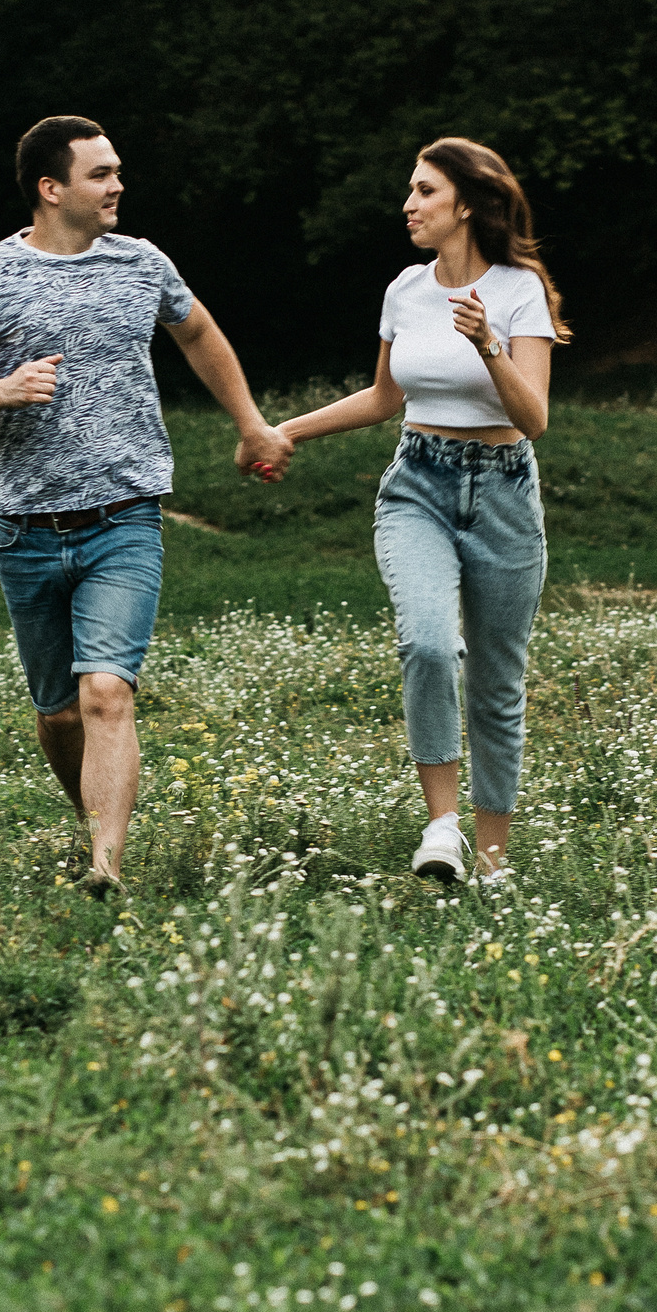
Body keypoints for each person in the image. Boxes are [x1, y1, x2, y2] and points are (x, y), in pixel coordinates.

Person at [0, 116, 293, 897]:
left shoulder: (142, 262)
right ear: (51, 189)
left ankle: (107, 866)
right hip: (26, 524)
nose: (118, 184)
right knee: (59, 713)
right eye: (101, 174)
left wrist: (251, 421)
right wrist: (3, 389)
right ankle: (93, 822)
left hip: (125, 514)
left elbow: (198, 335)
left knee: (106, 692)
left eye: (118, 170)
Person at [267, 137, 567, 886]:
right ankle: (443, 829)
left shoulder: (519, 288)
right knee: (429, 643)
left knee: (497, 680)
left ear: (465, 203)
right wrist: (285, 430)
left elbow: (534, 419)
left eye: (424, 191)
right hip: (419, 484)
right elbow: (382, 397)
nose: (408, 204)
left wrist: (491, 344)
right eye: (410, 190)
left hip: (502, 489)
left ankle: (494, 862)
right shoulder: (404, 289)